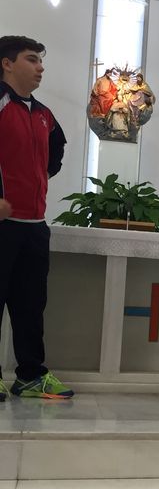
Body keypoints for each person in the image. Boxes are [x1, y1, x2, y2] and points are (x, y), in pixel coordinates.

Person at [0, 35, 71, 400]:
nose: (40, 67)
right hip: (2, 226)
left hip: (34, 226)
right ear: (7, 64)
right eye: (31, 59)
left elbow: (56, 151)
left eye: (40, 61)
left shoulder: (45, 114)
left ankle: (30, 376)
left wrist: (37, 179)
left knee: (30, 307)